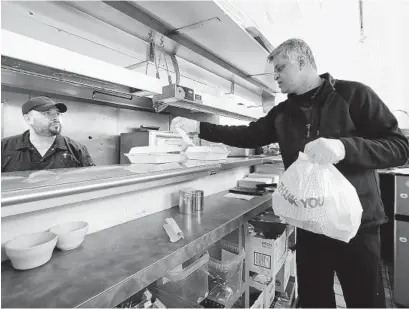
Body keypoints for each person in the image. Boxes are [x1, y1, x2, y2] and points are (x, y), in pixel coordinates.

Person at [171, 39, 409, 308]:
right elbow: (248, 134)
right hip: (310, 223)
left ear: (302, 62)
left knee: (365, 302)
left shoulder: (354, 96)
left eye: (281, 68)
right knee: (315, 301)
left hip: (358, 226)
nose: (276, 77)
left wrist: (344, 147)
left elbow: (399, 147)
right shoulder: (283, 113)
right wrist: (200, 128)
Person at [2, 96, 95, 172]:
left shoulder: (76, 149)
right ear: (28, 119)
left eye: (58, 113)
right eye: (47, 113)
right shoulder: (4, 147)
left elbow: (91, 180)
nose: (55, 118)